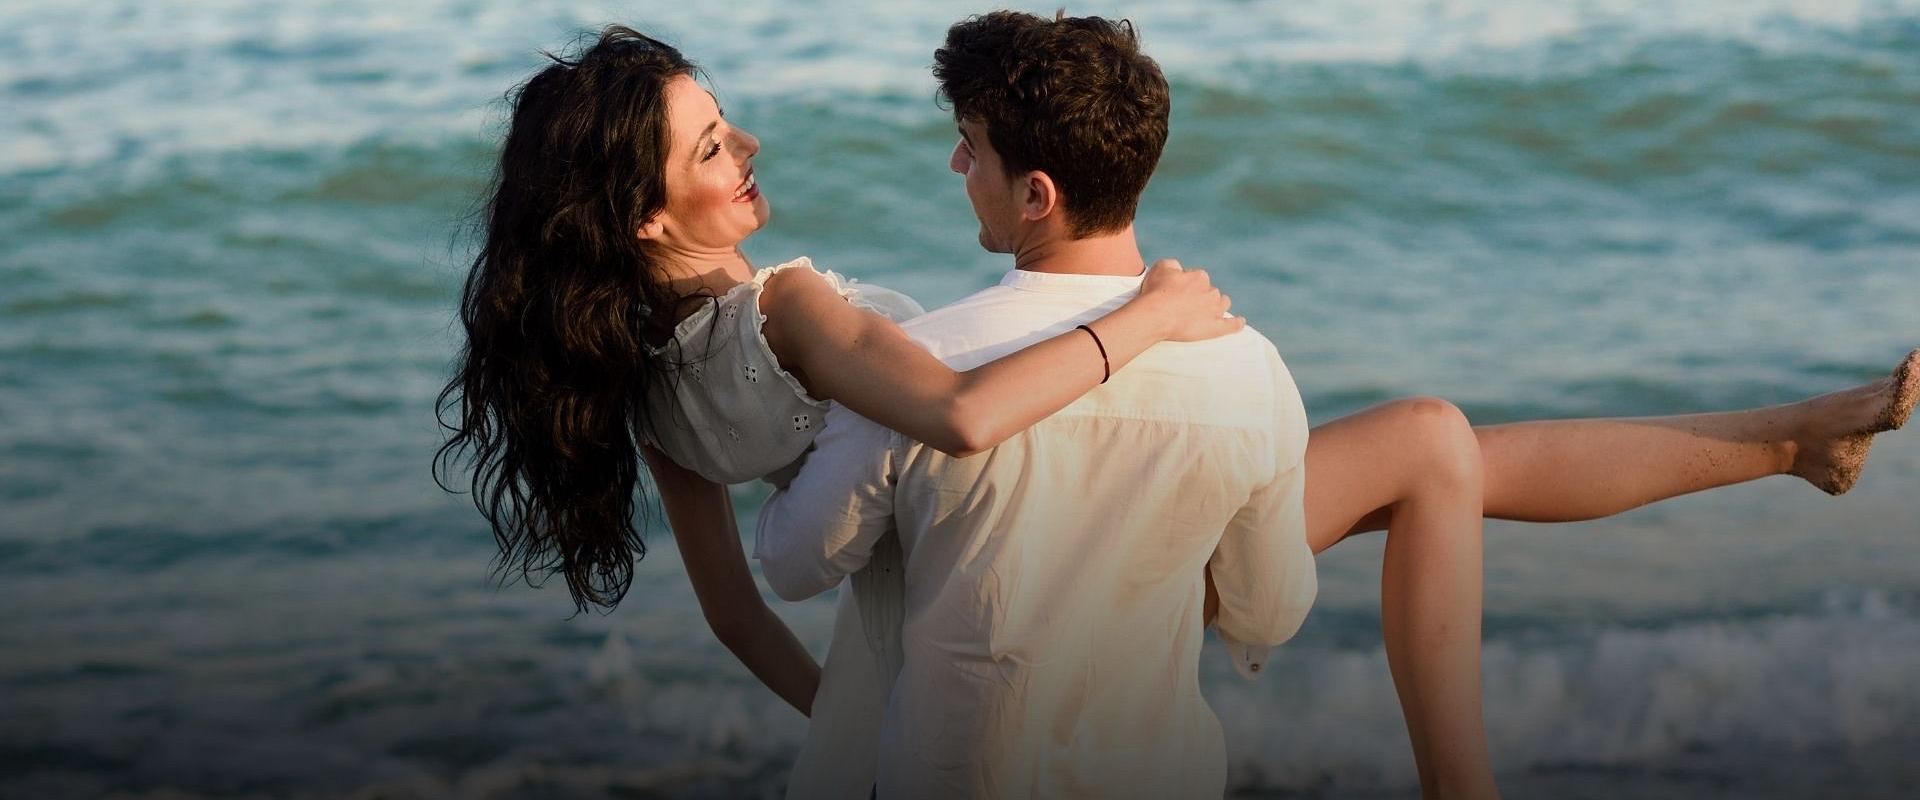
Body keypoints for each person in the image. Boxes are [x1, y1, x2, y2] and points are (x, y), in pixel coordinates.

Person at [434, 20, 1919, 800]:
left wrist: (861, 716)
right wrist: (1142, 323)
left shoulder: (648, 390)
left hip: (951, 557)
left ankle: (1787, 438)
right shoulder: (792, 308)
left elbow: (745, 617)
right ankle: (1767, 458)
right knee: (1435, 441)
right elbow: (950, 413)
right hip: (1041, 498)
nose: (746, 141)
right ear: (643, 211)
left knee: (1442, 446)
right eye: (711, 140)